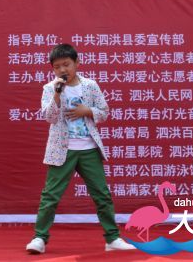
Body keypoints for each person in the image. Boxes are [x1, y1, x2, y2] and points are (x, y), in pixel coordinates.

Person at [26, 43, 136, 254]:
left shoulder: (90, 86)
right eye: (57, 67)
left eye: (66, 64)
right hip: (62, 150)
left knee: (102, 194)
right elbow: (49, 117)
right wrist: (57, 95)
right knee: (51, 195)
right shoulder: (49, 88)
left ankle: (112, 238)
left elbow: (104, 111)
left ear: (77, 63)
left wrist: (88, 111)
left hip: (89, 148)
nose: (62, 70)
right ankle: (39, 238)